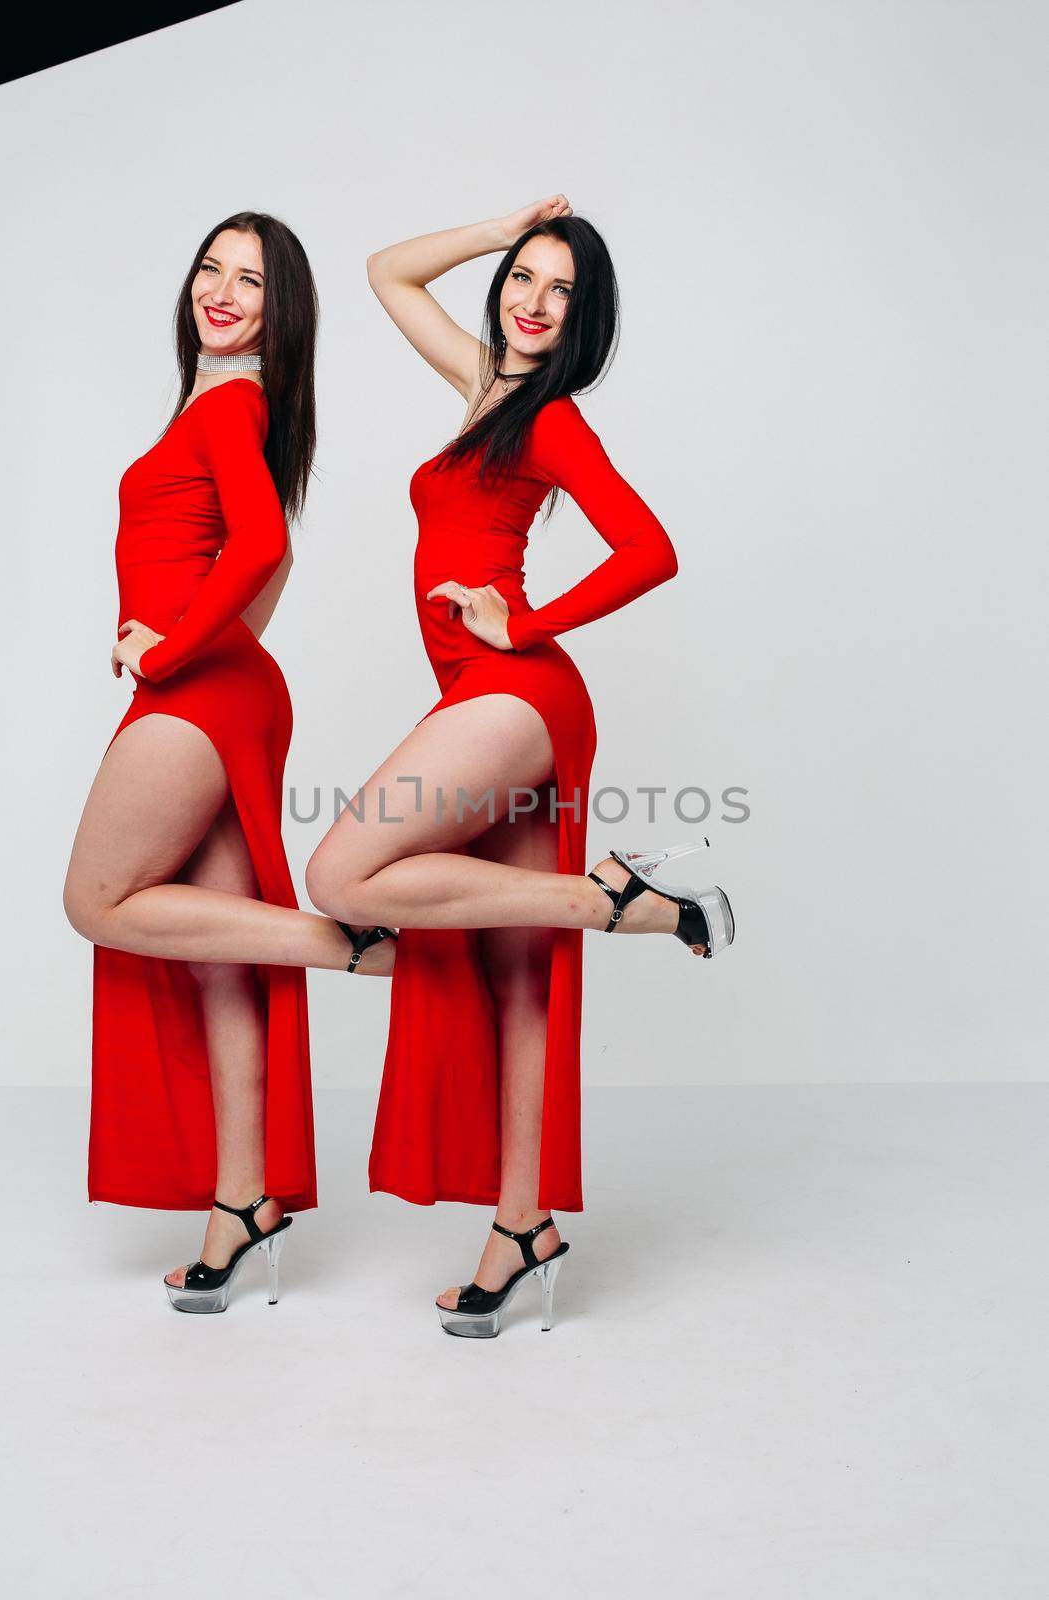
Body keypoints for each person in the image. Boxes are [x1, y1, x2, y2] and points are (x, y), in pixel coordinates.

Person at [305, 196, 734, 1338]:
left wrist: (525, 617)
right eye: (522, 280)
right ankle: (520, 1224)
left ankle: (612, 898)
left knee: (340, 876)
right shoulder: (483, 388)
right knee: (512, 975)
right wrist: (503, 226)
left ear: (583, 317)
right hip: (477, 695)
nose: (532, 303)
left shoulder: (548, 419)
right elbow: (388, 272)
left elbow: (650, 549)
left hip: (517, 688)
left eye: (559, 291)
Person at [63, 211, 396, 1315]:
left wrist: (175, 643)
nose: (221, 290)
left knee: (97, 900)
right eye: (211, 267)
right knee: (213, 960)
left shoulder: (232, 401)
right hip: (220, 688)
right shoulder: (219, 406)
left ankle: (343, 944)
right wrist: (204, 643)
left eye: (249, 280)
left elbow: (256, 547)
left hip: (199, 695)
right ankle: (242, 1202)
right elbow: (277, 551)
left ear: (278, 310)